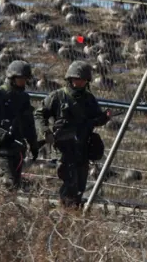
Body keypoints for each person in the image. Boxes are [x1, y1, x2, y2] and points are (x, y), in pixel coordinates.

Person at [34, 61, 109, 209]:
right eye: (76, 79)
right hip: (64, 149)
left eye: (82, 80)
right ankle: (66, 216)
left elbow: (97, 120)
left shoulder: (89, 99)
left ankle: (73, 216)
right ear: (69, 79)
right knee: (69, 185)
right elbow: (39, 114)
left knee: (80, 187)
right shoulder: (58, 96)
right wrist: (46, 132)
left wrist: (104, 117)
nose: (79, 82)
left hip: (82, 149)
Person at [0, 60, 39, 191]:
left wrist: (34, 145)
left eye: (25, 79)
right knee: (8, 184)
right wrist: (0, 132)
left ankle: (7, 209)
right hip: (0, 148)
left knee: (14, 186)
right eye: (21, 79)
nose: (23, 82)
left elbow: (29, 124)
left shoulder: (24, 97)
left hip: (17, 149)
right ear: (12, 78)